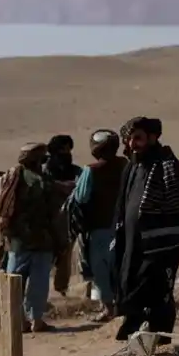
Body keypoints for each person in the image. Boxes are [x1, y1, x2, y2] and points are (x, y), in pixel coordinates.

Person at [111, 116, 179, 347]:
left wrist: (163, 240)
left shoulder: (167, 167)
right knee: (132, 288)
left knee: (157, 294)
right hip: (133, 245)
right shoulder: (132, 166)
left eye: (137, 138)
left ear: (152, 137)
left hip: (160, 249)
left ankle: (159, 344)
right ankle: (137, 343)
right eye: (129, 139)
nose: (132, 144)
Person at [0, 143, 60, 333]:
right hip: (42, 240)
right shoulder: (44, 181)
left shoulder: (11, 177)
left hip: (17, 240)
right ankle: (36, 321)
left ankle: (17, 322)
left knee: (14, 281)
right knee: (39, 283)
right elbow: (54, 212)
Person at [70, 129, 128, 322]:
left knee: (100, 269)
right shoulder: (124, 164)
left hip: (99, 228)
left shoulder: (91, 170)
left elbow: (81, 197)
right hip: (123, 226)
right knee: (119, 266)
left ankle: (109, 308)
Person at [44, 134, 83, 297]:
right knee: (44, 257)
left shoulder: (75, 170)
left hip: (68, 221)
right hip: (47, 221)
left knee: (65, 256)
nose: (66, 153)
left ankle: (61, 291)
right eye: (62, 149)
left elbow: (81, 186)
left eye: (68, 149)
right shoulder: (45, 171)